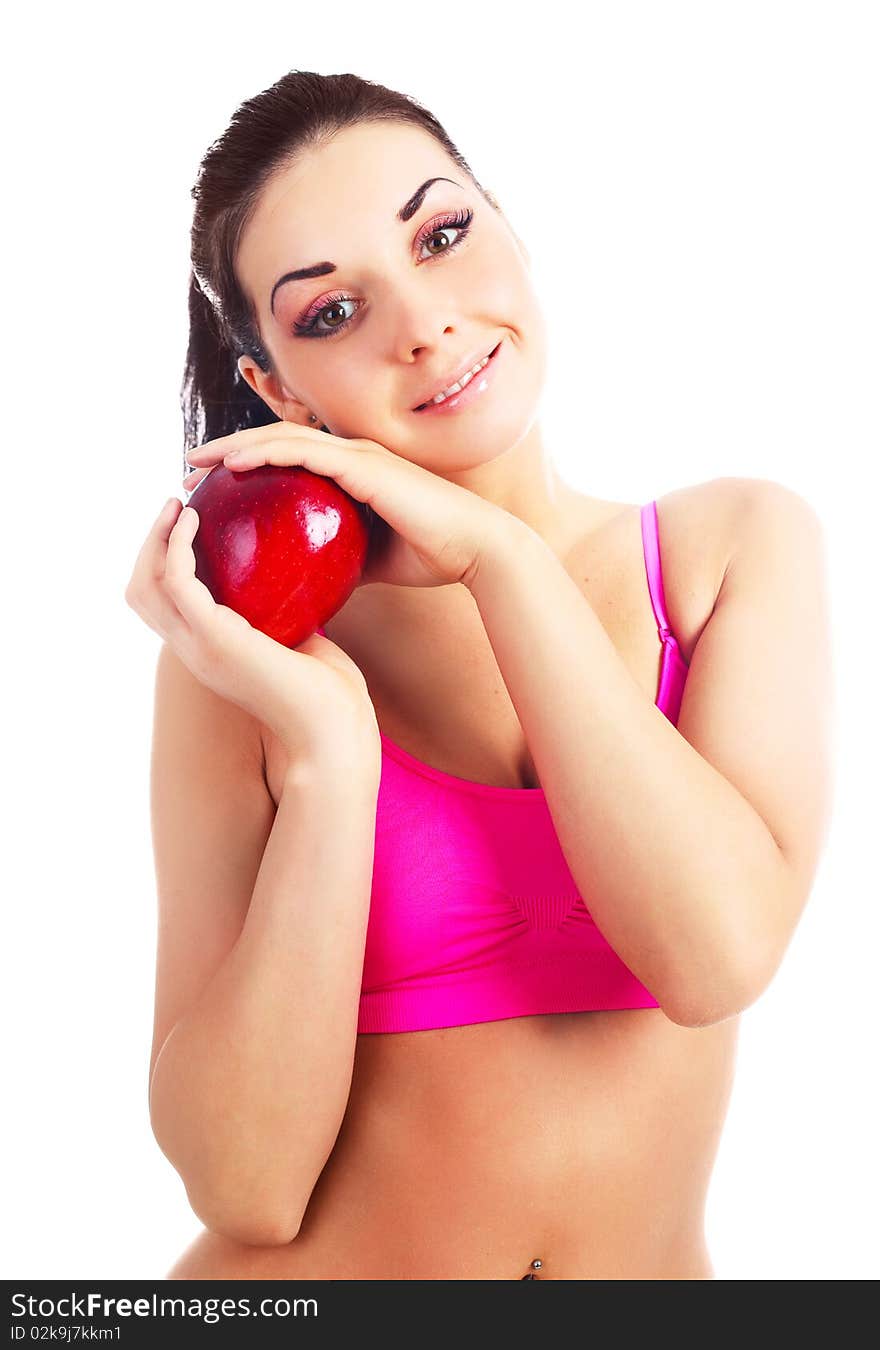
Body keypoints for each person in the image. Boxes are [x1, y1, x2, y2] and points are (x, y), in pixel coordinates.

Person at [124, 70, 834, 1280]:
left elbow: (710, 957)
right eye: (331, 313)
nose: (423, 324)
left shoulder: (730, 551)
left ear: (509, 225)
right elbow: (244, 1184)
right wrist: (331, 762)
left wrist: (503, 560)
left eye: (442, 235)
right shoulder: (254, 661)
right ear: (278, 394)